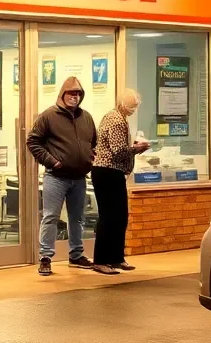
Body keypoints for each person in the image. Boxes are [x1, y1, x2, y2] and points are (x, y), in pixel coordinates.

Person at [26, 77, 97, 276]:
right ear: (62, 94)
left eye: (78, 94)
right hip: (55, 177)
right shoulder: (49, 115)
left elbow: (94, 143)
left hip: (79, 178)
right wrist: (52, 161)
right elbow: (33, 142)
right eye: (71, 93)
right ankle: (46, 258)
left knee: (77, 219)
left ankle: (76, 255)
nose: (74, 97)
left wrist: (89, 159)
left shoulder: (87, 118)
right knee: (50, 217)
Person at [92, 89, 150, 273]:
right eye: (132, 106)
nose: (134, 109)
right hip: (107, 171)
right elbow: (118, 150)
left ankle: (116, 258)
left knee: (120, 217)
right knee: (109, 217)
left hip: (114, 172)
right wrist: (137, 148)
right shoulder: (115, 119)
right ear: (123, 104)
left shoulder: (120, 117)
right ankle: (101, 260)